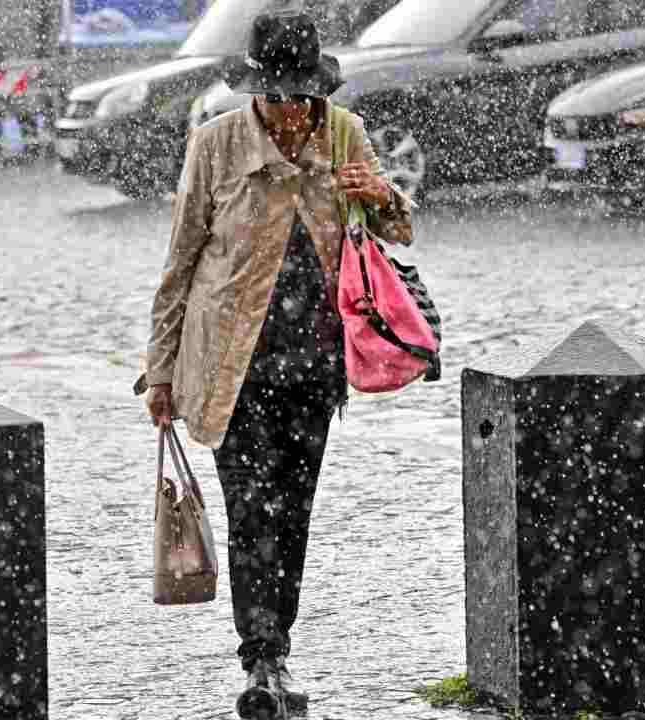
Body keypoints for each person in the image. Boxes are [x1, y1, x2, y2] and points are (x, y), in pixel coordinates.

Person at [138, 11, 413, 719]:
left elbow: (397, 226)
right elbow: (180, 264)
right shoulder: (216, 144)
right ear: (254, 89)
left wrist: (378, 195)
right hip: (232, 369)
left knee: (293, 514)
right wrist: (160, 373)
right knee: (253, 511)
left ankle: (275, 648)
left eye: (298, 94)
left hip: (317, 367)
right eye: (275, 93)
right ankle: (261, 657)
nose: (288, 108)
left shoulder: (345, 132)